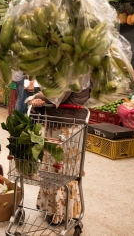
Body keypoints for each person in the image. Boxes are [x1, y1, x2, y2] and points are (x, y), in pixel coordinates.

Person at [29, 88, 89, 225]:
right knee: (52, 166)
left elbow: (60, 93)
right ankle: (51, 208)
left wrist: (37, 97)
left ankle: (61, 212)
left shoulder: (75, 70)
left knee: (62, 169)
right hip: (57, 120)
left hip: (69, 124)